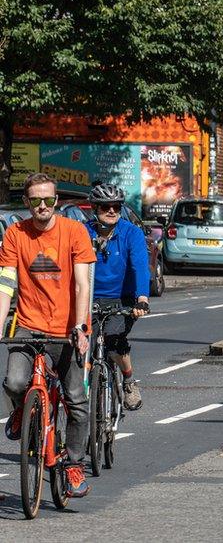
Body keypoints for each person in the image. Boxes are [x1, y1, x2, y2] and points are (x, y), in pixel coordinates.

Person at [0, 172, 96, 497]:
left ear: (57, 201)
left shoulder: (75, 231)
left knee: (76, 401)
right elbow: (6, 285)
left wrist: (80, 326)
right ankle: (19, 413)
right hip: (28, 324)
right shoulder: (15, 234)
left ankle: (73, 465)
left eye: (49, 199)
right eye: (36, 200)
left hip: (67, 328)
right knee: (13, 382)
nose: (43, 206)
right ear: (26, 202)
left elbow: (82, 284)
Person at [85, 183, 150, 411]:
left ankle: (129, 380)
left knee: (113, 341)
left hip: (122, 300)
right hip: (88, 299)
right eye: (105, 206)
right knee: (80, 347)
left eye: (116, 206)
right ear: (95, 208)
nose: (111, 211)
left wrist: (142, 298)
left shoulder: (131, 233)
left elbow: (140, 267)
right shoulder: (84, 232)